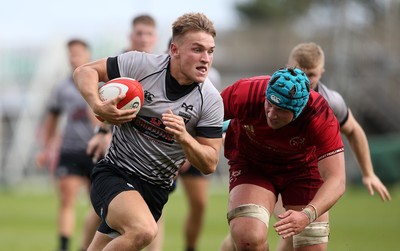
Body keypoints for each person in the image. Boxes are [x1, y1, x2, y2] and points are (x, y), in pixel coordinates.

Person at [73, 12, 224, 251]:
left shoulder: (211, 100)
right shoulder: (141, 65)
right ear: (174, 50)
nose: (206, 58)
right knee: (143, 231)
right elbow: (84, 72)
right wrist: (98, 106)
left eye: (210, 51)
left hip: (156, 190)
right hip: (115, 172)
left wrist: (185, 138)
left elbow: (210, 163)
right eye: (197, 50)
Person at [272, 42, 392, 251]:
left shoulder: (331, 102)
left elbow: (354, 131)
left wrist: (368, 173)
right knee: (280, 229)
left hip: (306, 176)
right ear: (287, 66)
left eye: (311, 75)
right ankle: (237, 242)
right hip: (272, 171)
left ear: (322, 72)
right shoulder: (271, 94)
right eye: (299, 72)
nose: (305, 80)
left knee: (297, 231)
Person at [219, 67, 346, 251]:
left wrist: (308, 215)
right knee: (248, 237)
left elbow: (337, 179)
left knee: (312, 246)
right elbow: (204, 118)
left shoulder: (319, 116)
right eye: (269, 104)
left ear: (298, 111)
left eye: (280, 110)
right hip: (252, 163)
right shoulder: (248, 91)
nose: (271, 113)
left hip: (302, 171)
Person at [35, 39, 101, 251]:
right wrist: (46, 148)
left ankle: (88, 246)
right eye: (70, 54)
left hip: (97, 150)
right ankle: (63, 247)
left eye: (78, 53)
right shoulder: (61, 87)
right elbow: (52, 119)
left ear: (88, 55)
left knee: (100, 206)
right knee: (67, 200)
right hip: (70, 149)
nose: (74, 58)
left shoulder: (101, 83)